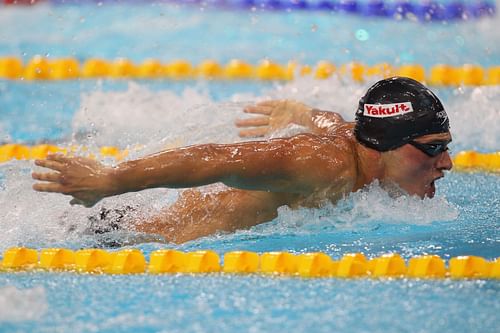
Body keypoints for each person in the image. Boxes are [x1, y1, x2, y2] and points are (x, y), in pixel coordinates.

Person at [32, 77, 453, 243]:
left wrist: (298, 111)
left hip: (128, 227)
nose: (446, 162)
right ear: (388, 145)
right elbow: (216, 159)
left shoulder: (358, 144)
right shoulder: (325, 165)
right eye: (433, 147)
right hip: (127, 239)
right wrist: (111, 179)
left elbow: (334, 122)